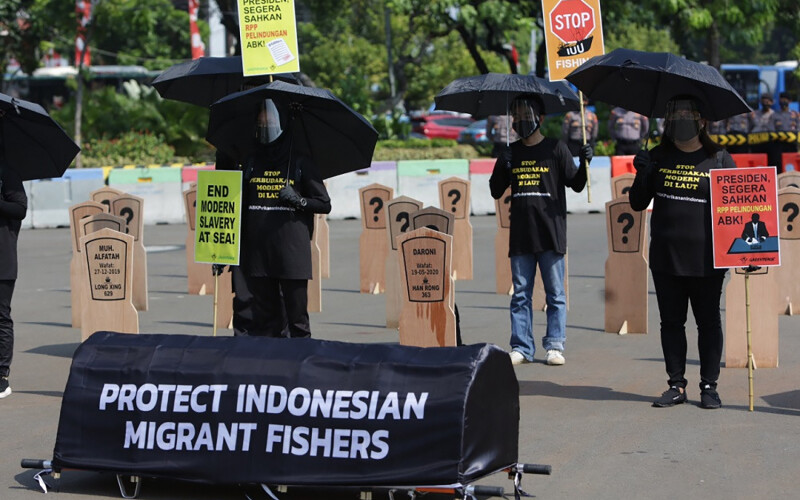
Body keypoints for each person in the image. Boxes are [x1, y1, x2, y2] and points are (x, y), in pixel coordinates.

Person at [628, 95, 735, 410]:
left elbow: (739, 209)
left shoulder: (719, 159)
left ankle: (709, 386)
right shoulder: (657, 157)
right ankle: (676, 385)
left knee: (708, 323)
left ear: (702, 121)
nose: (682, 119)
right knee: (671, 323)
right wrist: (642, 173)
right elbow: (637, 203)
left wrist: (748, 254)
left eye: (688, 113)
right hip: (666, 258)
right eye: (675, 113)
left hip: (707, 260)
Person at [489, 94, 591, 366]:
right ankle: (521, 347)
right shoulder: (511, 152)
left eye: (527, 116)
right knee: (520, 294)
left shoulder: (556, 148)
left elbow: (576, 184)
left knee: (555, 294)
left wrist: (585, 164)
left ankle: (555, 345)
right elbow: (495, 190)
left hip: (550, 233)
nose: (521, 121)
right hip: (521, 235)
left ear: (541, 119)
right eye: (517, 117)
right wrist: (502, 164)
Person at [233, 99, 331, 338]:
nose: (266, 128)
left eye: (271, 123)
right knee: (268, 321)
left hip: (291, 253)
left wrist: (299, 200)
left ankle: (302, 358)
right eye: (261, 123)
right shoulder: (251, 161)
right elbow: (237, 203)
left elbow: (324, 203)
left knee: (297, 320)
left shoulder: (300, 161)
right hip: (260, 254)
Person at [0, 158, 28, 399]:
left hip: (2, 260)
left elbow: (20, 210)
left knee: (1, 317)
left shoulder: (7, 174)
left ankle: (2, 376)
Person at [769, 92, 799, 172]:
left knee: (792, 164)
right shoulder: (774, 115)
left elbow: (798, 128)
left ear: (790, 101)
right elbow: (771, 129)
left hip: (792, 144)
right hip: (779, 144)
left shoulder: (795, 114)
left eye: (785, 99)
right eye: (781, 99)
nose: (783, 101)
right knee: (778, 163)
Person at [749, 93, 778, 169]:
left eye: (768, 102)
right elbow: (750, 127)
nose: (766, 103)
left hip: (770, 143)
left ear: (771, 102)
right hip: (757, 142)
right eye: (764, 101)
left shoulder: (775, 114)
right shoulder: (755, 114)